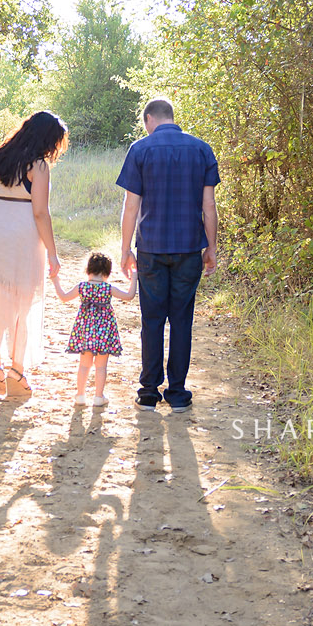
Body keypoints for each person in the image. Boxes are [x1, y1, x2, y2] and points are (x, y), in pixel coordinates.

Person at [116, 97, 220, 413]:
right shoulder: (202, 149)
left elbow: (131, 205)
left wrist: (125, 249)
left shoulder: (140, 150)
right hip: (189, 248)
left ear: (149, 118)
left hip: (151, 248)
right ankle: (177, 393)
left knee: (151, 319)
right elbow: (209, 206)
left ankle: (148, 392)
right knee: (181, 320)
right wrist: (211, 247)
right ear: (171, 117)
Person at [0, 111, 67, 399]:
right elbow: (40, 212)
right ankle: (16, 372)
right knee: (24, 303)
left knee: (0, 299)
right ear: (47, 139)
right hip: (21, 235)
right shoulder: (38, 166)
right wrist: (53, 252)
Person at [52, 251, 136, 406]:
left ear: (88, 269)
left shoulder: (82, 287)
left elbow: (64, 297)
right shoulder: (108, 288)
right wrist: (134, 274)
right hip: (104, 332)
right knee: (101, 366)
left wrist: (55, 279)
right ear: (107, 272)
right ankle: (98, 397)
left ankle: (80, 395)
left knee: (84, 364)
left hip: (86, 331)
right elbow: (129, 295)